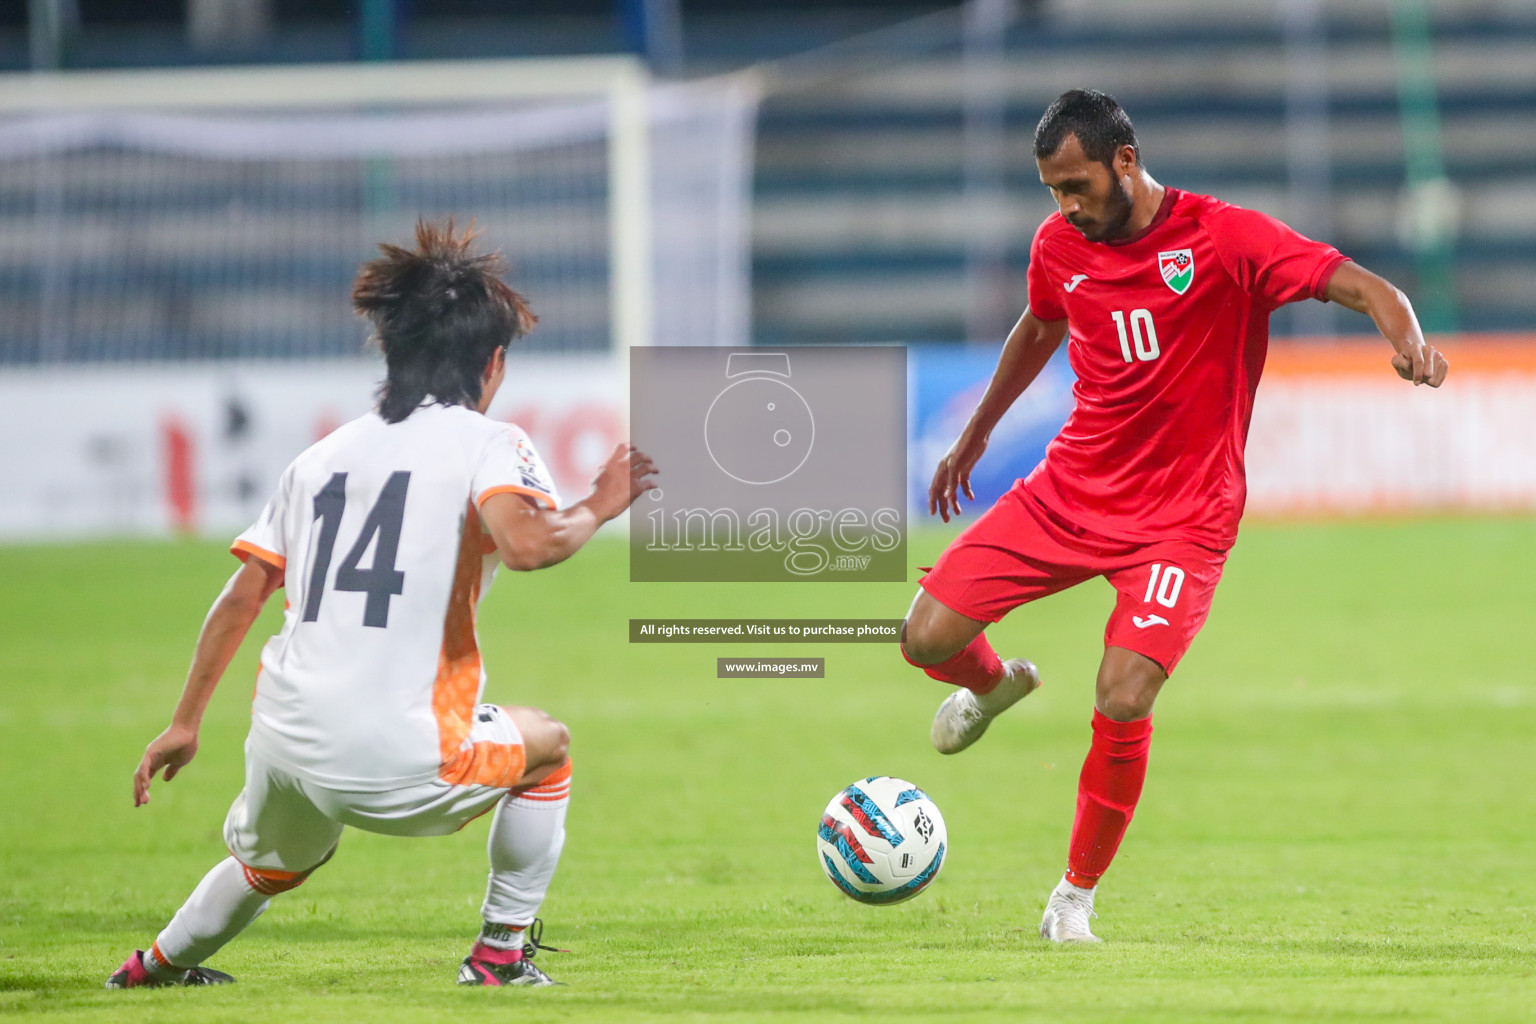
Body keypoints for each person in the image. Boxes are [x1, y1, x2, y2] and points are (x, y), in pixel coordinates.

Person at [900, 90, 1448, 943]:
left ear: (1125, 161)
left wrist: (1404, 334)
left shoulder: (1225, 240)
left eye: (1077, 186)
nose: (1066, 207)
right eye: (1052, 191)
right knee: (925, 636)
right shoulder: (1059, 244)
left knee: (1124, 693)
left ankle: (1072, 898)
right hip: (1072, 490)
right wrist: (974, 435)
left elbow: (1360, 284)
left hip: (1182, 520)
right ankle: (992, 684)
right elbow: (1039, 327)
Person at [107, 220, 657, 989]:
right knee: (549, 750)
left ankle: (151, 969)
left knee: (270, 864)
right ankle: (499, 957)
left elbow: (242, 597)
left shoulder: (320, 458)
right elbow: (530, 546)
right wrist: (600, 503)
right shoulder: (488, 442)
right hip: (399, 754)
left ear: (390, 352)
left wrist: (184, 722)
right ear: (492, 364)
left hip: (286, 739)